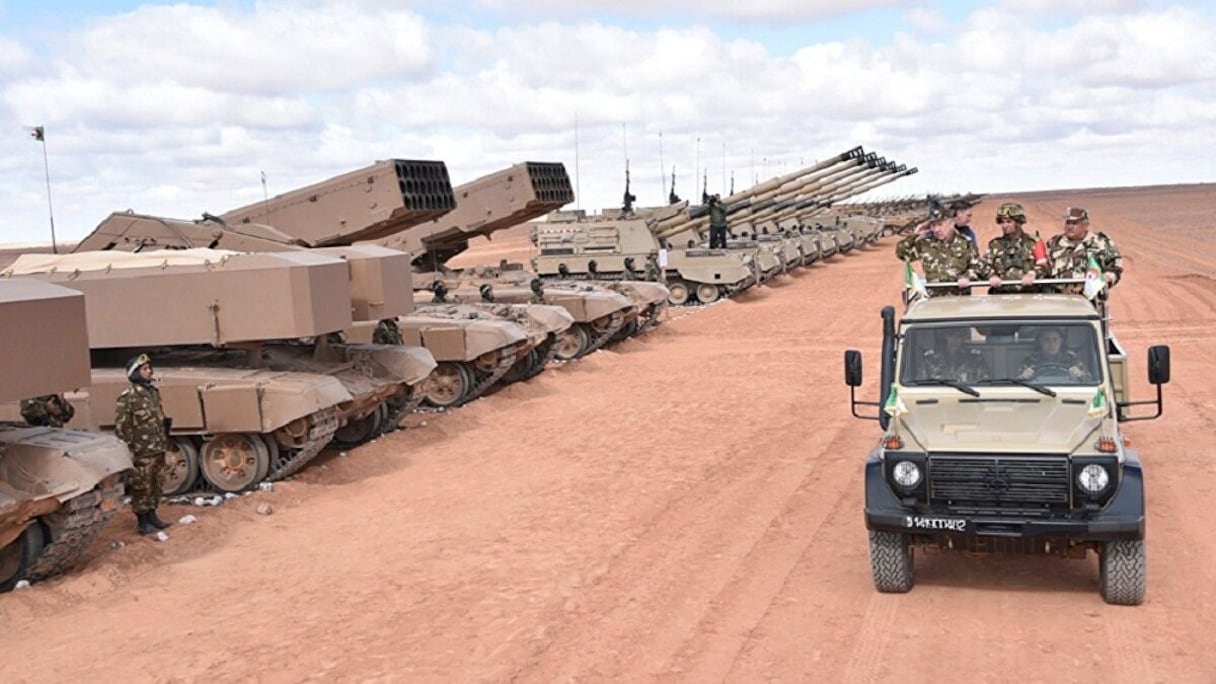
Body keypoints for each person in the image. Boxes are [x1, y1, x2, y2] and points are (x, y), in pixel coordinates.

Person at [114, 353, 173, 535]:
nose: (149, 371)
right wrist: (129, 451)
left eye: (149, 368)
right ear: (135, 373)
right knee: (142, 484)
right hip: (141, 450)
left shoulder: (153, 393)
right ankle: (142, 520)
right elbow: (122, 427)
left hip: (157, 446)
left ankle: (152, 515)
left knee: (156, 482)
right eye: (144, 369)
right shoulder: (128, 397)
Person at [895, 212, 986, 296]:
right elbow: (902, 254)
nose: (936, 229)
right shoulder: (925, 244)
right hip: (934, 299)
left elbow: (977, 266)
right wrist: (915, 235)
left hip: (960, 298)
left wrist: (967, 277)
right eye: (933, 225)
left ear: (951, 223)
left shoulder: (966, 242)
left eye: (940, 224)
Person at [1046, 207, 1123, 295]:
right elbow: (1044, 268)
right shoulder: (1054, 243)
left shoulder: (1100, 242)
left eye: (1075, 223)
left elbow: (1116, 265)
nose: (1070, 227)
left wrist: (1106, 278)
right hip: (1059, 297)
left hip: (1090, 298)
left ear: (1085, 225)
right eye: (1068, 223)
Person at [984, 202, 1046, 294]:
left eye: (1009, 222)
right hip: (1001, 296)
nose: (1004, 226)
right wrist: (991, 276)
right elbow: (984, 265)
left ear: (1019, 222)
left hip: (1029, 296)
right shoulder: (995, 244)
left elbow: (1044, 266)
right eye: (1002, 222)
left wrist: (1033, 274)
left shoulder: (1034, 242)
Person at [1018, 327, 1091, 381]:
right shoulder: (1030, 361)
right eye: (1046, 340)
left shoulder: (1072, 360)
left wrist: (1080, 374)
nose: (1051, 344)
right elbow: (1015, 383)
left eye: (1055, 340)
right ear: (1040, 342)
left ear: (1061, 341)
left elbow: (1090, 380)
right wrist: (1023, 377)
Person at [919, 328, 991, 382]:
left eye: (958, 336)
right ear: (945, 337)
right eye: (951, 336)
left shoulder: (975, 359)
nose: (954, 340)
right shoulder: (930, 360)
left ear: (963, 339)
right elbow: (919, 386)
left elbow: (985, 383)